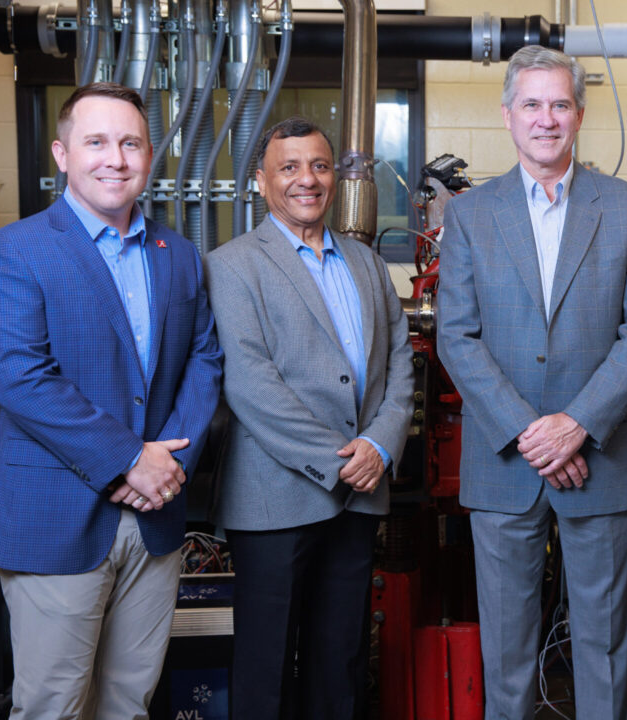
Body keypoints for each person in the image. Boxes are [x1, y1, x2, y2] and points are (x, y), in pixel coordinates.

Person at [0, 82, 223, 719]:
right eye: (97, 142)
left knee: (128, 705)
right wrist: (128, 459)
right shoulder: (14, 249)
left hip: (156, 518)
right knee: (54, 707)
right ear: (61, 154)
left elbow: (205, 360)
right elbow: (21, 378)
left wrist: (169, 464)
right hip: (56, 521)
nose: (115, 158)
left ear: (149, 155)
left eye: (131, 142)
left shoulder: (179, 256)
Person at [436, 45, 627, 719]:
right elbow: (458, 335)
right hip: (504, 460)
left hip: (600, 454)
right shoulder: (471, 215)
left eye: (559, 104)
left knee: (603, 640)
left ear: (580, 114)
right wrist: (530, 433)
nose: (545, 118)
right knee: (506, 646)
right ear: (508, 117)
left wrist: (576, 426)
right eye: (531, 104)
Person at [206, 116, 414, 719]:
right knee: (266, 667)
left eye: (319, 166)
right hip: (275, 497)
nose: (307, 180)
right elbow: (250, 384)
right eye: (289, 167)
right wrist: (341, 461)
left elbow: (399, 361)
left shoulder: (367, 263)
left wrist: (380, 444)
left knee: (341, 661)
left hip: (361, 492)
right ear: (262, 181)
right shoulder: (233, 265)